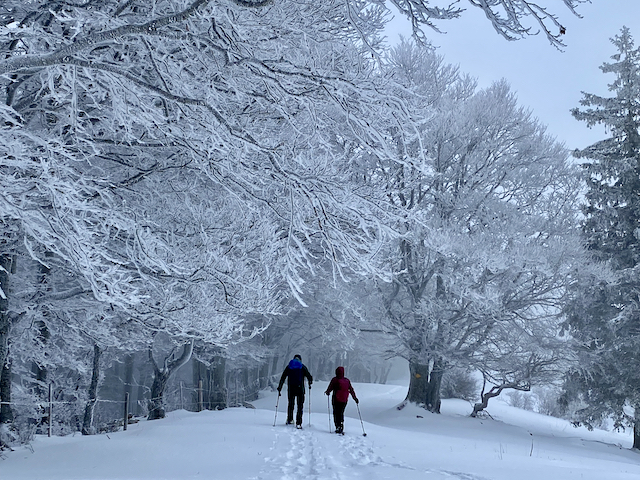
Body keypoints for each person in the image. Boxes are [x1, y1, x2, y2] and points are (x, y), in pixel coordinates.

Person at [277, 354, 313, 428]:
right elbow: (309, 377)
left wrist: (280, 387)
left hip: (291, 389)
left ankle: (290, 419)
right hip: (300, 389)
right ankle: (299, 422)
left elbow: (283, 377)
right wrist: (310, 383)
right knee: (300, 406)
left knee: (291, 404)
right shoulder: (302, 367)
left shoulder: (289, 367)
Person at [325, 366, 358, 434]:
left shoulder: (334, 380)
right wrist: (355, 398)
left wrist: (327, 392)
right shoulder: (347, 380)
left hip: (336, 399)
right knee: (341, 412)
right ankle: (341, 425)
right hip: (344, 400)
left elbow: (330, 388)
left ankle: (338, 426)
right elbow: (351, 390)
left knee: (336, 413)